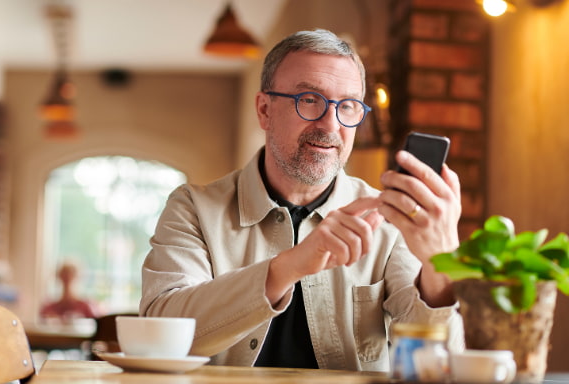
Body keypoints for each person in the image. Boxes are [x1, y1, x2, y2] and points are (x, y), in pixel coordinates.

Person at [140, 29, 464, 371]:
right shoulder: (192, 208)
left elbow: (438, 367)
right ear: (265, 110)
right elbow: (160, 333)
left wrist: (440, 262)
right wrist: (290, 266)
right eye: (309, 100)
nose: (330, 124)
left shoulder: (388, 217)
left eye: (348, 106)